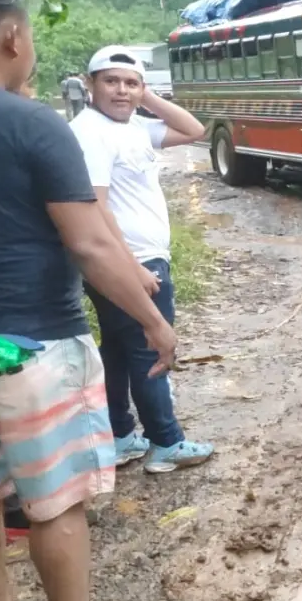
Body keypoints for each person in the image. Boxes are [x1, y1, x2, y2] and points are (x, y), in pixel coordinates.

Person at [0, 0, 173, 601]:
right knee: (56, 502)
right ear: (14, 38)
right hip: (33, 347)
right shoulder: (32, 123)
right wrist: (153, 323)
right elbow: (91, 243)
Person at [69, 45, 214, 476]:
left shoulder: (130, 126)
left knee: (118, 349)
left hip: (137, 259)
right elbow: (96, 207)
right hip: (133, 261)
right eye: (111, 81)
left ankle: (119, 435)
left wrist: (143, 97)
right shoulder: (91, 132)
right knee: (151, 349)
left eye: (130, 83)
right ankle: (166, 442)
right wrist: (131, 266)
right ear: (89, 84)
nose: (121, 90)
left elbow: (193, 129)